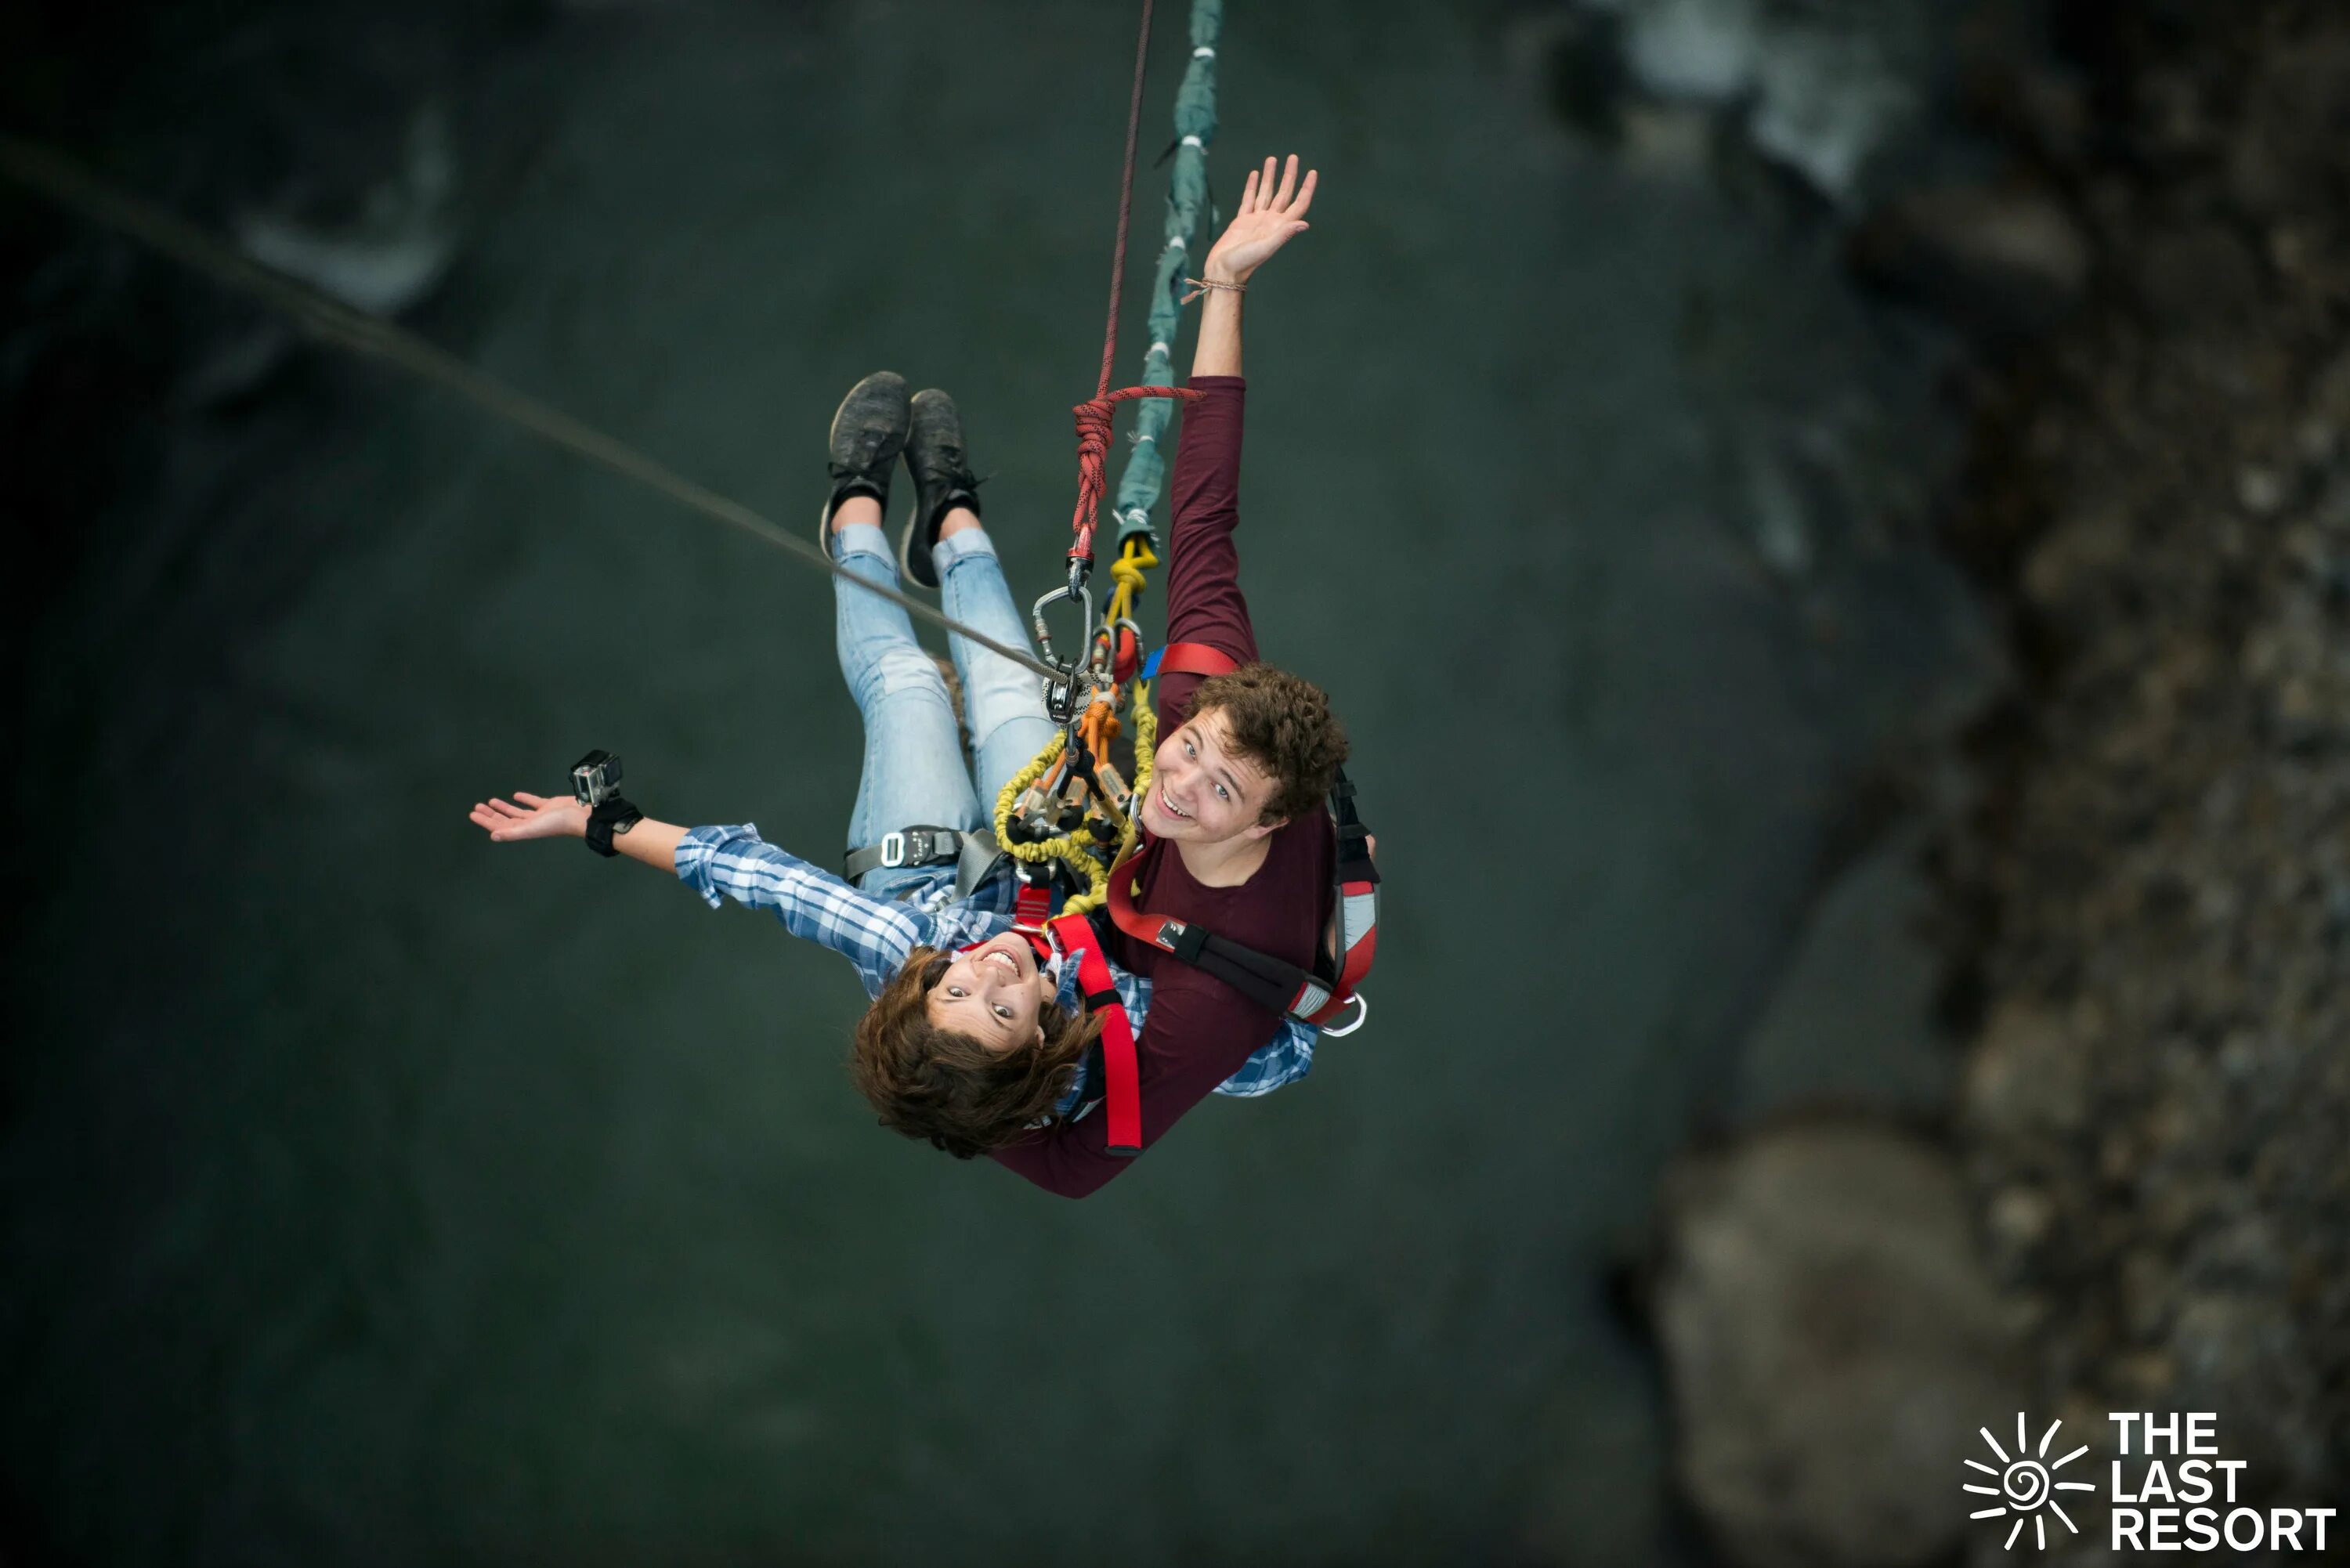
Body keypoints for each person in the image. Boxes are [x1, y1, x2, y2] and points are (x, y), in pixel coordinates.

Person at [465, 360, 1317, 1160]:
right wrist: (1303, 957)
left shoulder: (910, 948)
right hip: (1057, 874)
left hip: (928, 881)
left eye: (955, 991)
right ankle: (952, 517)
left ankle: (855, 510)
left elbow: (761, 877)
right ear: (1040, 1045)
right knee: (1011, 689)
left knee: (910, 684)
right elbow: (1274, 1058)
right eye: (1003, 1007)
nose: (986, 970)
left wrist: (601, 823)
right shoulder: (1114, 1032)